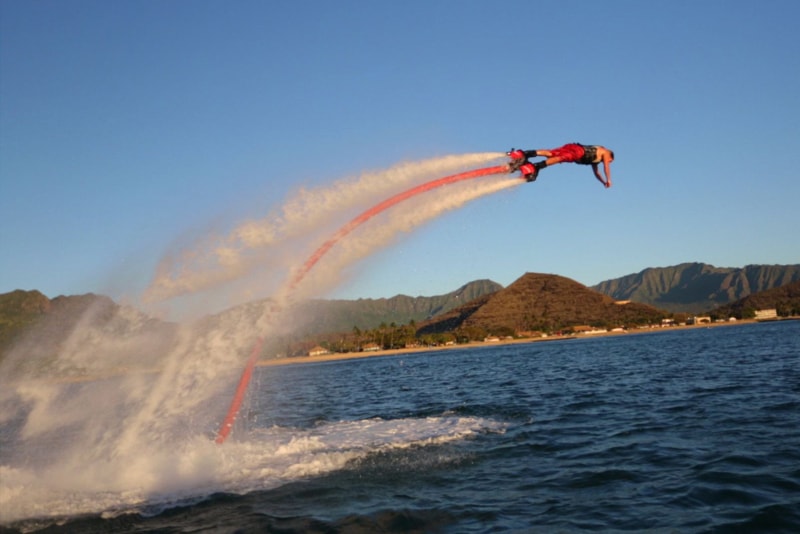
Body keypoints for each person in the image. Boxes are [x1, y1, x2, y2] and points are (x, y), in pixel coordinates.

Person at [512, 143, 614, 188]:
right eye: (610, 161)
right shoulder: (606, 152)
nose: (607, 162)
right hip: (578, 152)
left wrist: (603, 182)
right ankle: (536, 166)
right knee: (561, 158)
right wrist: (609, 179)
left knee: (552, 153)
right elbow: (606, 167)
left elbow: (597, 172)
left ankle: (525, 153)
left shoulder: (596, 160)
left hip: (574, 147)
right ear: (610, 157)